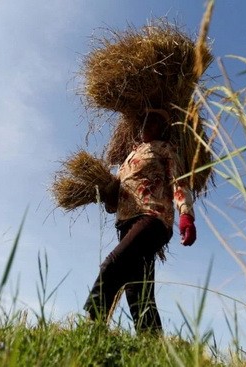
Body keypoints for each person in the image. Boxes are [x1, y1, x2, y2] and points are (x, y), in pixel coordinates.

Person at [83, 109, 196, 333]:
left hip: (152, 219)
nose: (149, 124)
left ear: (163, 130)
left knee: (112, 265)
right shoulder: (128, 159)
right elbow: (114, 202)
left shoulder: (165, 150)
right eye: (147, 119)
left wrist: (186, 215)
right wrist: (106, 194)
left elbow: (179, 182)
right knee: (138, 290)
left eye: (155, 122)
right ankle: (152, 343)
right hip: (125, 223)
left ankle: (91, 326)